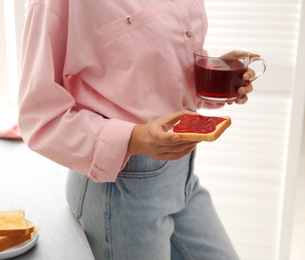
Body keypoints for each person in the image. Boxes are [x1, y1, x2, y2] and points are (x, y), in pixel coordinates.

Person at [18, 0, 258, 259]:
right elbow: (38, 115)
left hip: (183, 178)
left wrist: (211, 77)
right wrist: (134, 138)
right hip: (121, 191)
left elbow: (147, 69)